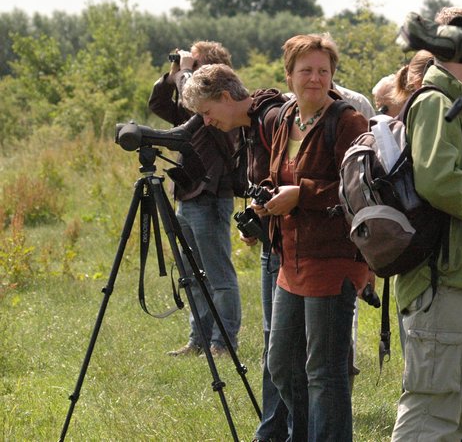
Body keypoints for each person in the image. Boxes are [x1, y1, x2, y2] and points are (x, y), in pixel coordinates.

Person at [391, 6, 462, 442]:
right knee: (431, 417)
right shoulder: (437, 102)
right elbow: (440, 182)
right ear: (461, 46)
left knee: (456, 418)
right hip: (442, 283)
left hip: (461, 281)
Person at [179, 65, 296, 442]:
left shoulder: (271, 120)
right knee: (273, 341)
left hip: (291, 249)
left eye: (207, 111)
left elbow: (297, 181)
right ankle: (271, 431)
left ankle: (287, 430)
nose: (206, 121)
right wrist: (259, 217)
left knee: (283, 347)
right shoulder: (249, 126)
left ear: (226, 97)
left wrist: (271, 210)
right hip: (273, 243)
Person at [265, 33, 369, 441]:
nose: (315, 78)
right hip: (290, 258)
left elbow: (356, 190)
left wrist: (301, 194)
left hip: (334, 258)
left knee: (324, 370)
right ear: (288, 75)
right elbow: (278, 176)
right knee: (281, 364)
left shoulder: (347, 121)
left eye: (323, 71)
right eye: (306, 70)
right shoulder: (285, 117)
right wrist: (267, 201)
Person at [148, 40, 242, 357]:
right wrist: (173, 74)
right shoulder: (194, 111)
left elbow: (193, 100)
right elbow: (159, 104)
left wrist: (187, 73)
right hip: (187, 195)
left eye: (195, 64)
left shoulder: (219, 109)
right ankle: (198, 339)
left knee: (218, 275)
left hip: (210, 195)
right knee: (192, 275)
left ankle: (223, 343)